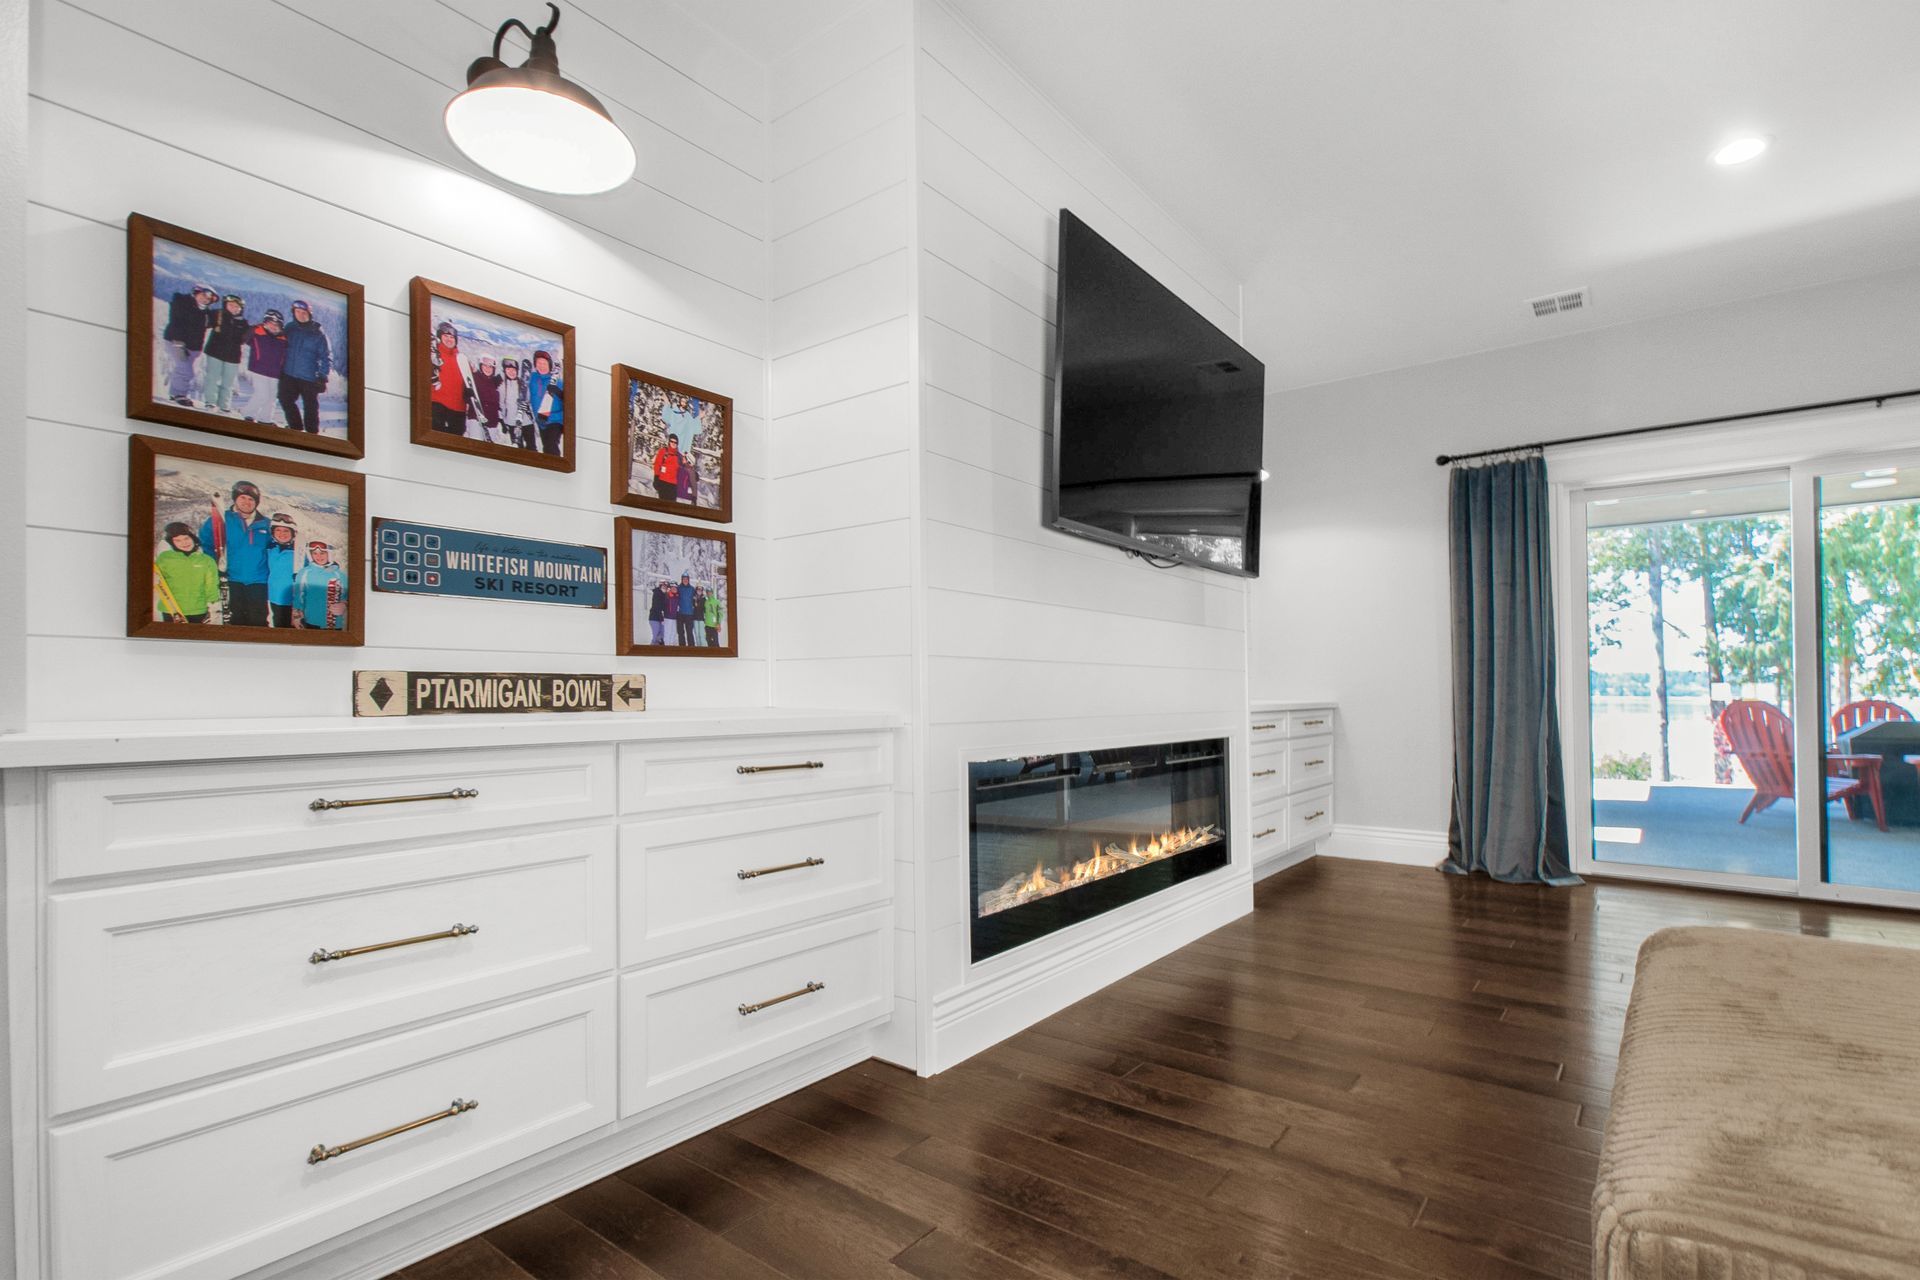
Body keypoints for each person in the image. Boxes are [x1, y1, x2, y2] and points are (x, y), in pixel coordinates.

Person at [199, 479, 272, 626]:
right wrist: (215, 567)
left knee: (258, 620)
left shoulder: (266, 524)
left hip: (259, 581)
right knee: (236, 620)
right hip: (231, 579)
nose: (247, 502)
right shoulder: (222, 519)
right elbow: (206, 544)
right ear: (235, 499)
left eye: (251, 499)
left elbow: (274, 549)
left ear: (256, 502)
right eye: (242, 498)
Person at [279, 299, 332, 434]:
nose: (301, 315)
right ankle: (296, 428)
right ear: (293, 313)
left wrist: (322, 377)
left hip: (309, 377)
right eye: (297, 312)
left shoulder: (317, 332)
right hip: (289, 374)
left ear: (309, 314)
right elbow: (280, 346)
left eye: (304, 312)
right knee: (285, 399)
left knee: (311, 408)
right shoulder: (290, 328)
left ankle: (312, 434)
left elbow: (326, 356)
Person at [153, 522, 219, 624]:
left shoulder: (206, 560)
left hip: (198, 609)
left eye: (186, 538)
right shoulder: (165, 558)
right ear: (172, 543)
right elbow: (156, 577)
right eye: (177, 540)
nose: (184, 543)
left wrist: (213, 605)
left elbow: (211, 585)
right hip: (172, 609)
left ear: (193, 538)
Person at [162, 282, 217, 405]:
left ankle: (174, 394)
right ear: (195, 293)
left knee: (184, 368)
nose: (206, 300)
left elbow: (209, 324)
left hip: (193, 347)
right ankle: (180, 395)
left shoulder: (205, 313)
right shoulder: (183, 303)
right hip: (176, 342)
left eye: (209, 299)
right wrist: (178, 343)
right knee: (185, 369)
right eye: (203, 296)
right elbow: (176, 322)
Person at [200, 294, 249, 414]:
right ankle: (211, 402)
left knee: (228, 383)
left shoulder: (243, 323)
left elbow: (246, 339)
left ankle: (224, 406)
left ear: (241, 309)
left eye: (237, 307)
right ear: (225, 305)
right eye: (231, 305)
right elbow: (204, 320)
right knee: (213, 378)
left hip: (232, 356)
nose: (234, 308)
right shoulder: (218, 315)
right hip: (215, 352)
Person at [241, 309, 287, 424]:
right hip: (258, 369)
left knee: (272, 397)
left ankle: (265, 419)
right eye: (270, 323)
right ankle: (247, 413)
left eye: (276, 325)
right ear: (265, 322)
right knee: (262, 394)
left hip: (275, 373)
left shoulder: (283, 338)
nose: (273, 326)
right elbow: (243, 339)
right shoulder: (257, 332)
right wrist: (251, 329)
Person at [427, 320, 471, 436]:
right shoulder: (433, 356)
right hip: (437, 404)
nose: (449, 339)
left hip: (458, 408)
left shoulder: (462, 359)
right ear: (439, 337)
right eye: (445, 336)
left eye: (452, 337)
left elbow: (472, 380)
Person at [293, 540, 349, 630]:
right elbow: (298, 596)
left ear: (329, 554)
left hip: (333, 623)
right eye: (315, 553)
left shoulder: (339, 575)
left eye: (322, 553)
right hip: (311, 621)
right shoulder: (305, 573)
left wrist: (344, 604)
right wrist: (297, 617)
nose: (318, 556)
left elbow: (347, 596)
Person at [525, 349, 564, 457]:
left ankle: (555, 465)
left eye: (544, 363)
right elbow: (520, 384)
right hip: (541, 420)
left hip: (556, 421)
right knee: (546, 447)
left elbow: (569, 401)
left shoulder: (558, 382)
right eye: (539, 363)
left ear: (549, 365)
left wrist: (558, 392)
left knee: (550, 447)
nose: (541, 366)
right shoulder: (532, 378)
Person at [265, 512, 300, 628]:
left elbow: (314, 566)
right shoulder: (270, 549)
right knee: (278, 623)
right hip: (274, 596)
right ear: (273, 532)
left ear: (293, 533)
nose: (282, 534)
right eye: (278, 530)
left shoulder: (299, 552)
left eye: (286, 531)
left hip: (292, 598)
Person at [501, 358, 532, 449]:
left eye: (513, 370)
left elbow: (530, 400)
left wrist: (527, 406)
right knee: (518, 448)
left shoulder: (523, 384)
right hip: (512, 422)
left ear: (517, 371)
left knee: (531, 447)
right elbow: (501, 404)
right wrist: (503, 421)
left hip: (526, 422)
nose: (511, 372)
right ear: (504, 371)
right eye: (508, 369)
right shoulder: (502, 386)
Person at [472, 354, 503, 444]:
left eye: (490, 367)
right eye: (485, 365)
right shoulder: (475, 378)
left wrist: (500, 419)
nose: (488, 369)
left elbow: (497, 404)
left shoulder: (495, 382)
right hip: (476, 420)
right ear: (480, 366)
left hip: (492, 422)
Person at [651, 433, 681, 504]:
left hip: (673, 484)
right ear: (669, 442)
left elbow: (684, 467)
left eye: (675, 442)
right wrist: (656, 478)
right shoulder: (664, 451)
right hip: (663, 482)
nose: (673, 443)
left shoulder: (679, 456)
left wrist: (693, 473)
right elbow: (657, 465)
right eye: (671, 441)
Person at [675, 571, 699, 647]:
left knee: (689, 632)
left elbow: (696, 598)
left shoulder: (692, 589)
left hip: (689, 614)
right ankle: (682, 647)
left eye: (686, 579)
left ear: (688, 580)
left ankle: (691, 647)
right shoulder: (678, 588)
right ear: (681, 579)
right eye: (684, 579)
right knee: (680, 632)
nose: (685, 580)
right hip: (680, 614)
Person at [647, 579, 671, 645]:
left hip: (661, 618)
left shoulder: (664, 594)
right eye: (663, 586)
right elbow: (657, 607)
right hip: (654, 618)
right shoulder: (657, 593)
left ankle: (659, 647)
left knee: (661, 635)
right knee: (656, 634)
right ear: (660, 586)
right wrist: (662, 618)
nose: (664, 587)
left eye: (666, 586)